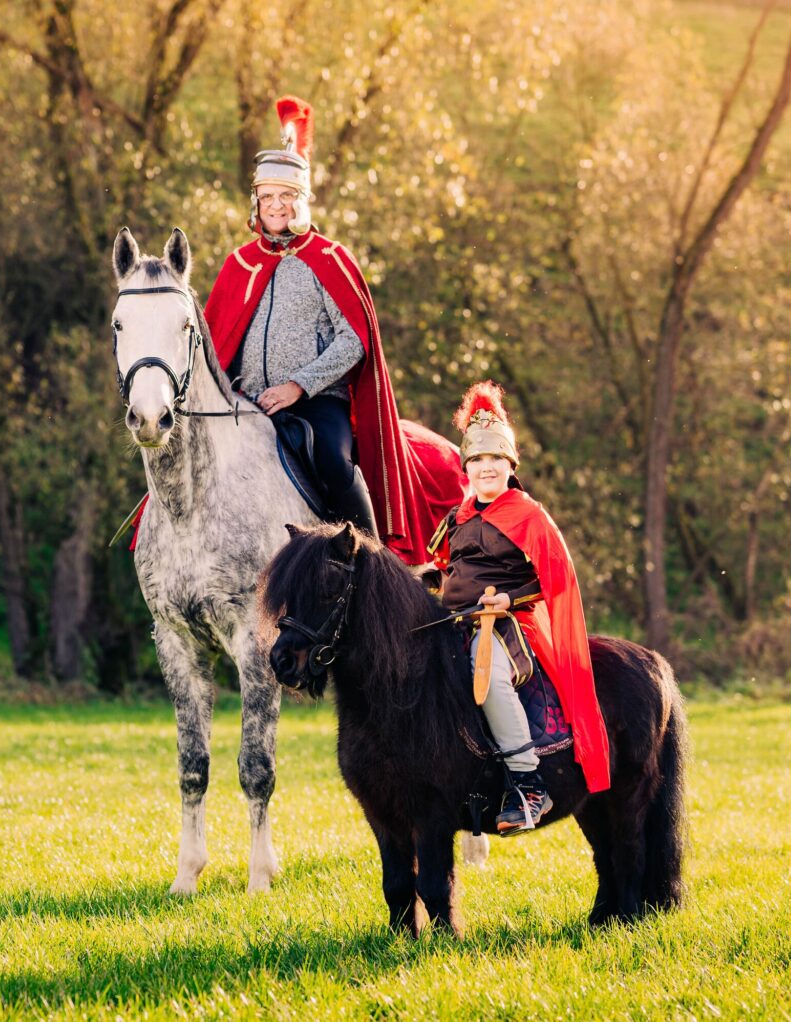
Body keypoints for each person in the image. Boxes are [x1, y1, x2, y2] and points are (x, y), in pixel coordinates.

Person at [203, 96, 451, 561]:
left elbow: (354, 339)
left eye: (285, 196)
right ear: (255, 201)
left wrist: (299, 385)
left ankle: (374, 562)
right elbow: (218, 344)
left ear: (301, 200)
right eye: (267, 197)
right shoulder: (240, 264)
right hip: (248, 401)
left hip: (317, 402)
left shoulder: (328, 260)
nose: (275, 206)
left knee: (335, 462)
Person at [429, 381, 612, 834]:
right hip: (453, 623)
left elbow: (557, 578)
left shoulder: (527, 513)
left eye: (496, 460)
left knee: (485, 674)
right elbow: (439, 568)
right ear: (466, 468)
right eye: (477, 460)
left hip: (508, 627)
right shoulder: (458, 517)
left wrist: (510, 598)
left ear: (510, 466)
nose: (486, 468)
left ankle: (529, 785)